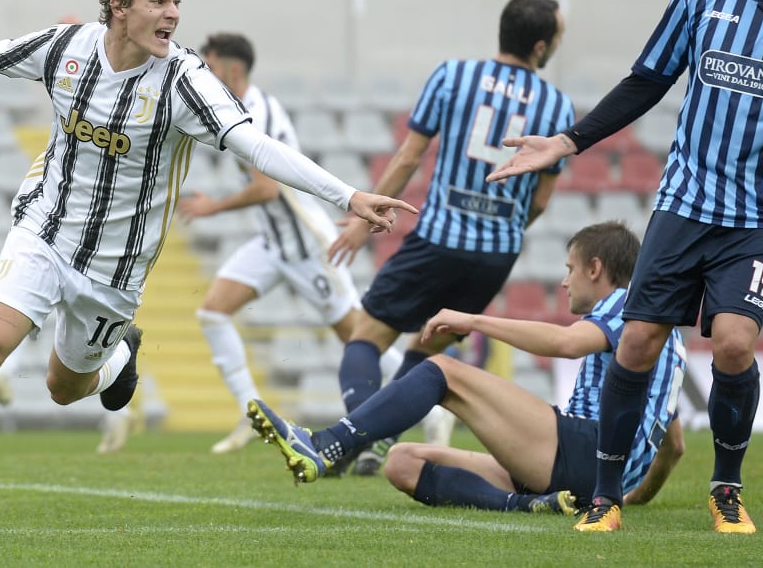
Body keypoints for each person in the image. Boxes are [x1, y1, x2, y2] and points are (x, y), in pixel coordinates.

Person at [0, 0, 415, 538]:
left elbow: (256, 144)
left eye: (177, 1)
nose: (172, 14)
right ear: (119, 4)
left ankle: (118, 354)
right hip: (43, 231)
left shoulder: (184, 81)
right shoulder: (66, 48)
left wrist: (349, 195)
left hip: (114, 271)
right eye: (158, 0)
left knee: (64, 390)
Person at [485, 0, 763, 534]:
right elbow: (646, 82)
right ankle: (605, 498)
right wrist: (570, 140)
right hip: (685, 203)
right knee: (637, 341)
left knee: (735, 344)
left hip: (759, 215)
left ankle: (726, 490)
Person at [248, 221, 686, 516]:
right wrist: (629, 497)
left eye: (571, 269)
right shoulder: (663, 335)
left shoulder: (628, 303)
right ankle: (527, 504)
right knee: (402, 462)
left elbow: (569, 344)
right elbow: (675, 446)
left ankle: (327, 444)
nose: (565, 281)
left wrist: (472, 319)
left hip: (584, 450)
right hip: (587, 476)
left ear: (596, 268)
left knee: (443, 371)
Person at [326, 0, 575, 474]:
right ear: (541, 46)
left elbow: (408, 157)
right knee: (425, 352)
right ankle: (378, 439)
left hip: (438, 239)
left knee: (366, 337)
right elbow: (540, 201)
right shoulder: (558, 105)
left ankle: (355, 435)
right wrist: (501, 227)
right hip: (495, 256)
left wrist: (362, 220)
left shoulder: (452, 76)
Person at [174, 32, 403, 455]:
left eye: (210, 65)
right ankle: (249, 415)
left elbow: (266, 190)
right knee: (213, 313)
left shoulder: (255, 113)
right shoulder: (239, 108)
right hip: (272, 244)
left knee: (359, 338)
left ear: (233, 69)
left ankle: (427, 401)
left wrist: (214, 207)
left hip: (306, 246)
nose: (205, 74)